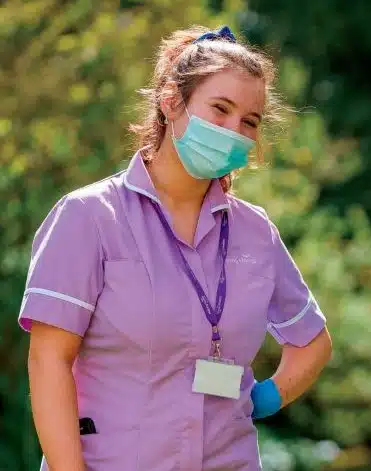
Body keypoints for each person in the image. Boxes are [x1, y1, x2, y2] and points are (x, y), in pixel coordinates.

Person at [20, 25, 332, 471]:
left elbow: (312, 343)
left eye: (249, 121)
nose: (233, 130)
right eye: (220, 109)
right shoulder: (88, 216)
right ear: (171, 101)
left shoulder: (255, 232)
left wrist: (259, 399)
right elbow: (48, 360)